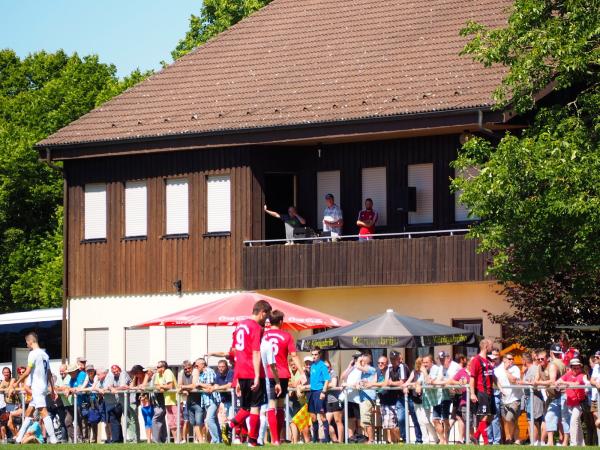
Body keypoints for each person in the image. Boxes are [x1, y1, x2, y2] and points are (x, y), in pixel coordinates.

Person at [222, 299, 272, 447]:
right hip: (252, 371)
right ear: (262, 313)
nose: (267, 319)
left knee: (246, 408)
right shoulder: (256, 327)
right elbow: (256, 352)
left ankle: (230, 425)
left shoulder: (240, 325)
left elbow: (235, 351)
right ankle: (252, 440)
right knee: (256, 407)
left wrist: (237, 378)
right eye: (267, 315)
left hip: (241, 372)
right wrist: (257, 376)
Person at [261, 309, 302, 444]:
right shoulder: (286, 336)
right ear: (281, 322)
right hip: (282, 374)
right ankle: (277, 439)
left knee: (271, 405)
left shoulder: (263, 336)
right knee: (280, 406)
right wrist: (302, 372)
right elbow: (294, 356)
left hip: (267, 373)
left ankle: (275, 440)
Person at [12, 332, 57, 444]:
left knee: (43, 411)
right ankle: (18, 438)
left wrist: (16, 383)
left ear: (30, 341)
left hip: (37, 387)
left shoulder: (33, 354)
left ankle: (53, 439)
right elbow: (49, 373)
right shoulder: (45, 354)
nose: (26, 344)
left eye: (27, 342)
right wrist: (52, 388)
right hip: (43, 386)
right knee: (29, 412)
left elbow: (27, 371)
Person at [536, 343, 568, 446]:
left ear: (550, 353)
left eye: (542, 359)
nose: (541, 361)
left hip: (559, 395)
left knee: (558, 419)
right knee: (561, 419)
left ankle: (557, 441)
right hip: (559, 395)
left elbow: (552, 381)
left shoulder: (552, 365)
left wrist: (538, 383)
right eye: (539, 359)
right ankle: (561, 441)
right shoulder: (563, 363)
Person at [387, 350, 422, 444]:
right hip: (399, 397)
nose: (394, 361)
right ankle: (404, 439)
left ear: (399, 358)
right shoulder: (389, 367)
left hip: (410, 397)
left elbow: (402, 382)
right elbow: (387, 382)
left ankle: (419, 440)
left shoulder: (402, 366)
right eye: (392, 359)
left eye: (395, 359)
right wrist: (392, 383)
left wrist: (392, 383)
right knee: (401, 419)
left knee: (415, 419)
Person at [469, 338, 495, 445]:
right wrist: (472, 393)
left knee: (490, 416)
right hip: (482, 392)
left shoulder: (488, 361)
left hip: (490, 392)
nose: (492, 348)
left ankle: (475, 437)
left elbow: (491, 376)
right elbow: (472, 378)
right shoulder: (476, 360)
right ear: (485, 347)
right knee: (484, 416)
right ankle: (486, 442)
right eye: (491, 346)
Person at [557, 358, 589, 446]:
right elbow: (558, 382)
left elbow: (577, 384)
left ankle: (573, 443)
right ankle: (582, 444)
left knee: (574, 421)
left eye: (578, 367)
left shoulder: (582, 375)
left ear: (580, 368)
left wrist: (564, 383)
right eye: (574, 368)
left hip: (579, 403)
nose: (576, 370)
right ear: (571, 368)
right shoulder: (568, 374)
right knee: (577, 423)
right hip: (570, 402)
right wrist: (562, 382)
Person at [494, 353, 522, 444]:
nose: (512, 361)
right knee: (508, 420)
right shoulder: (498, 369)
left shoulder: (515, 369)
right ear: (504, 360)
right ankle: (514, 439)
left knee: (510, 419)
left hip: (515, 399)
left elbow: (513, 381)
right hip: (504, 399)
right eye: (509, 359)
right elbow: (495, 379)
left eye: (513, 359)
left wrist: (506, 370)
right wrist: (500, 389)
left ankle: (510, 439)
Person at [307, 348, 331, 443]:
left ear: (319, 355)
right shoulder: (312, 366)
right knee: (313, 416)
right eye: (312, 354)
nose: (314, 356)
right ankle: (315, 439)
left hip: (319, 392)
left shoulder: (323, 366)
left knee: (322, 416)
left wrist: (323, 392)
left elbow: (326, 380)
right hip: (312, 393)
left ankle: (327, 439)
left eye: (316, 354)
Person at [520, 352, 544, 445]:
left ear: (524, 360)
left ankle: (535, 442)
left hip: (534, 397)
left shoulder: (534, 369)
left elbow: (535, 383)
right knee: (530, 420)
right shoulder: (527, 370)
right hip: (528, 398)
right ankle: (533, 442)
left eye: (522, 360)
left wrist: (523, 382)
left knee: (534, 421)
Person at [372, 355, 397, 443]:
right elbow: (374, 381)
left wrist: (371, 384)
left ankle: (397, 441)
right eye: (378, 363)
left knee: (392, 424)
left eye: (382, 363)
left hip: (392, 400)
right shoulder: (377, 371)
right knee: (386, 424)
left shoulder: (390, 371)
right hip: (382, 400)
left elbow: (386, 382)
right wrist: (369, 383)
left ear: (387, 363)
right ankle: (389, 441)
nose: (380, 364)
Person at [195, 358, 220, 443]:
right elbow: (198, 386)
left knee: (209, 420)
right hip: (206, 400)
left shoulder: (209, 371)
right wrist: (201, 385)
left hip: (213, 399)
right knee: (214, 421)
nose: (196, 367)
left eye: (197, 365)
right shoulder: (201, 373)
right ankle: (219, 440)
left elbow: (210, 386)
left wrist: (200, 384)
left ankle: (216, 440)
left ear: (202, 364)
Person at [152, 361, 178, 443]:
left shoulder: (168, 372)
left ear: (163, 367)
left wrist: (161, 386)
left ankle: (180, 439)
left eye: (158, 367)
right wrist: (162, 387)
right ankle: (176, 441)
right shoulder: (157, 374)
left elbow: (170, 386)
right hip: (167, 400)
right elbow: (156, 386)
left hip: (175, 400)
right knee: (171, 422)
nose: (157, 368)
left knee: (178, 421)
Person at [341, 352, 364, 438]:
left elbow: (359, 384)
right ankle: (351, 438)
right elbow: (342, 377)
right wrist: (349, 367)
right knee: (350, 419)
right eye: (354, 358)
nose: (355, 360)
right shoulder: (352, 368)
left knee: (360, 421)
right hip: (349, 398)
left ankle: (363, 438)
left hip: (358, 399)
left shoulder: (363, 369)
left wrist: (347, 385)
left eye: (356, 358)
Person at [355, 353, 376, 443]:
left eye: (363, 359)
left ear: (368, 360)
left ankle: (371, 440)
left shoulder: (371, 369)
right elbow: (361, 381)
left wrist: (359, 360)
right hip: (363, 398)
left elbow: (357, 366)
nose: (361, 361)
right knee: (365, 421)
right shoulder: (363, 372)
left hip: (368, 397)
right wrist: (358, 383)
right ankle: (370, 439)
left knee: (366, 420)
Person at [323, 359, 343, 443]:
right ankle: (335, 439)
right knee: (325, 422)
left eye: (328, 367)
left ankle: (340, 441)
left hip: (334, 399)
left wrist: (323, 386)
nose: (326, 368)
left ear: (330, 367)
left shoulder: (332, 373)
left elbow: (334, 384)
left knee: (338, 421)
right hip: (326, 400)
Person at [486, 348, 503, 445]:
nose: (494, 357)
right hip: (487, 393)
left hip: (496, 393)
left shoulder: (501, 367)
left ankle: (496, 441)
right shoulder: (487, 365)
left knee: (495, 417)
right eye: (493, 355)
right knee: (488, 416)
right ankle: (489, 440)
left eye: (496, 355)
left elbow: (497, 380)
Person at [178, 360, 196, 442]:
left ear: (192, 367)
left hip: (196, 400)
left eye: (189, 368)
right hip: (185, 401)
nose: (187, 370)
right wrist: (184, 389)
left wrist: (183, 387)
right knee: (186, 421)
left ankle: (197, 439)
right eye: (185, 369)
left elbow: (193, 385)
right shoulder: (181, 373)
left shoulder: (195, 373)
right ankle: (184, 439)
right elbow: (179, 386)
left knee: (197, 421)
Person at [213, 360, 234, 425]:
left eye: (223, 367)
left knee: (231, 420)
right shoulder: (218, 374)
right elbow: (216, 384)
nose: (221, 368)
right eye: (219, 367)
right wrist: (216, 387)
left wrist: (218, 388)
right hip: (223, 401)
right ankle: (224, 435)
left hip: (232, 401)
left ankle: (233, 435)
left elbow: (229, 385)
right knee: (222, 421)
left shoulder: (230, 372)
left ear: (227, 367)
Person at [591, 351, 600, 441]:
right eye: (595, 357)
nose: (595, 359)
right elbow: (592, 380)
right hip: (595, 398)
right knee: (596, 421)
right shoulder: (596, 367)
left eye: (597, 357)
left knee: (598, 422)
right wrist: (596, 383)